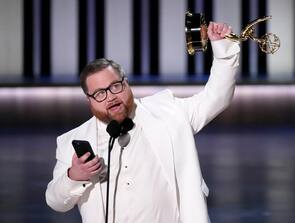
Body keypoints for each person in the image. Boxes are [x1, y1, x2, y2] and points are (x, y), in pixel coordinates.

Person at [45, 21, 240, 223]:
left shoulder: (168, 112)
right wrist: (74, 176)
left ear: (126, 83)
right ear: (89, 100)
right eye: (100, 93)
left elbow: (216, 97)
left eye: (115, 87)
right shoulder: (73, 141)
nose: (110, 97)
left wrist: (223, 49)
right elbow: (55, 201)